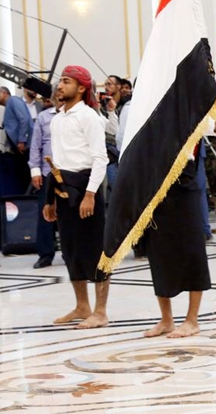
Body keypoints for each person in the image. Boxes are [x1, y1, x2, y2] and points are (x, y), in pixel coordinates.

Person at [42, 66, 110, 329]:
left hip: (85, 188)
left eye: (66, 82)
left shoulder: (89, 117)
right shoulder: (57, 118)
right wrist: (50, 199)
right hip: (62, 187)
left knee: (95, 249)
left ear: (81, 88)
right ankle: (82, 306)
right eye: (60, 81)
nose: (60, 86)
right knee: (71, 249)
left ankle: (101, 311)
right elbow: (58, 160)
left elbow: (100, 158)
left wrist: (91, 194)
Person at [137, 124, 213, 339]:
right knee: (158, 251)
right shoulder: (151, 108)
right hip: (154, 184)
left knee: (192, 252)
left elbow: (207, 124)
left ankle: (192, 320)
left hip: (183, 182)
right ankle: (166, 319)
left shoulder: (186, 109)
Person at [28, 94, 61, 269]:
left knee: (70, 214)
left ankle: (72, 252)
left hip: (70, 171)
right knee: (45, 213)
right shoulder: (43, 117)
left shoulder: (76, 116)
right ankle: (45, 254)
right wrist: (35, 171)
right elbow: (35, 146)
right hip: (48, 172)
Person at [0, 86, 34, 194]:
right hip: (15, 149)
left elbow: (24, 119)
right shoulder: (9, 105)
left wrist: (21, 140)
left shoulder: (13, 100)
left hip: (21, 147)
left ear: (5, 93)